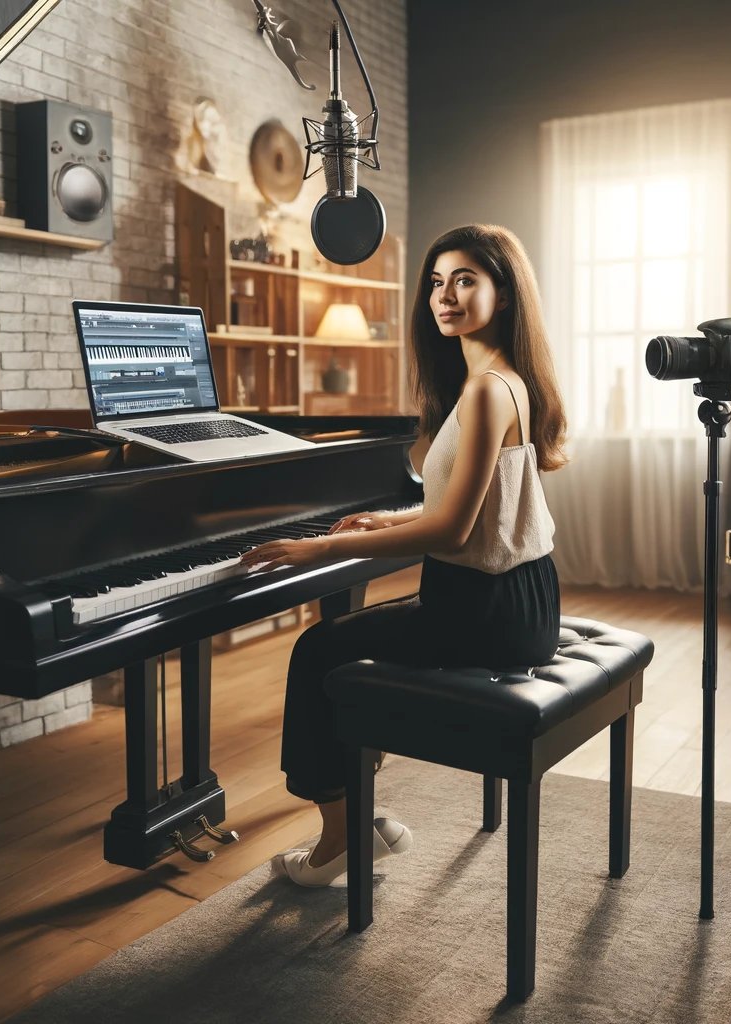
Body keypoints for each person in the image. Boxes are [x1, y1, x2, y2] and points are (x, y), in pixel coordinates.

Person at [240, 224, 568, 887]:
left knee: (317, 650)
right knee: (348, 646)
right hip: (518, 598)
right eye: (437, 283)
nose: (445, 296)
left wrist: (323, 545)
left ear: (504, 295)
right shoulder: (503, 379)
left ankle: (340, 839)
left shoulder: (485, 389)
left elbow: (451, 535)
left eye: (466, 280)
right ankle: (359, 804)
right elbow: (480, 505)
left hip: (484, 612)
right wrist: (396, 516)